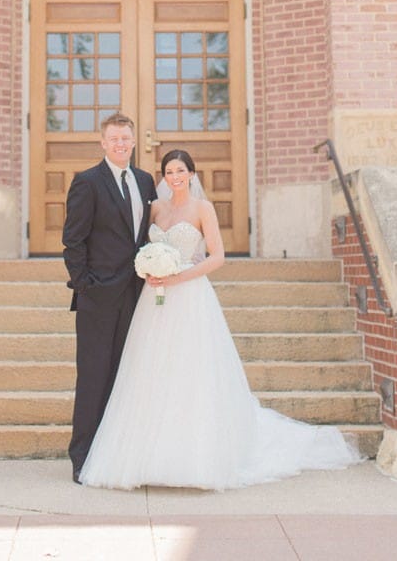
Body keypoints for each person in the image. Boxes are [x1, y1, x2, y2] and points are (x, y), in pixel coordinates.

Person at [78, 148, 363, 490]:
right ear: (163, 177)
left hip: (189, 296)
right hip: (153, 302)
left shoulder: (203, 209)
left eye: (181, 170)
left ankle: (193, 458)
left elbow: (217, 257)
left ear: (192, 175)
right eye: (169, 171)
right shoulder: (155, 208)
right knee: (151, 372)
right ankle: (147, 455)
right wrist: (149, 270)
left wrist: (178, 277)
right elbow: (137, 247)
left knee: (190, 373)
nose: (175, 176)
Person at [62, 112, 157, 483]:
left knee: (125, 376)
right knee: (94, 378)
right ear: (103, 143)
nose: (120, 144)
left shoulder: (146, 181)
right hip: (97, 298)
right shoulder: (87, 182)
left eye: (125, 138)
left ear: (134, 142)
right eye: (114, 139)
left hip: (137, 295)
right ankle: (82, 456)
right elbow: (73, 240)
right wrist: (85, 285)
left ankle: (117, 452)